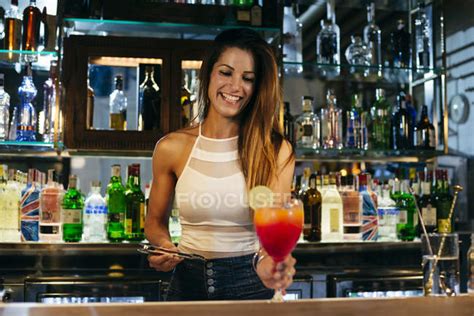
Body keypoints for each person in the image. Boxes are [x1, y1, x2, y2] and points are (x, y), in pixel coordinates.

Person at [145, 28, 296, 301]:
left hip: (250, 285)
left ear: (257, 86)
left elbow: (275, 231)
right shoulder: (171, 148)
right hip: (185, 286)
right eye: (225, 73)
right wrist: (165, 246)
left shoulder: (275, 150)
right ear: (208, 74)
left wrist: (268, 261)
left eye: (247, 78)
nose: (235, 87)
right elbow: (154, 223)